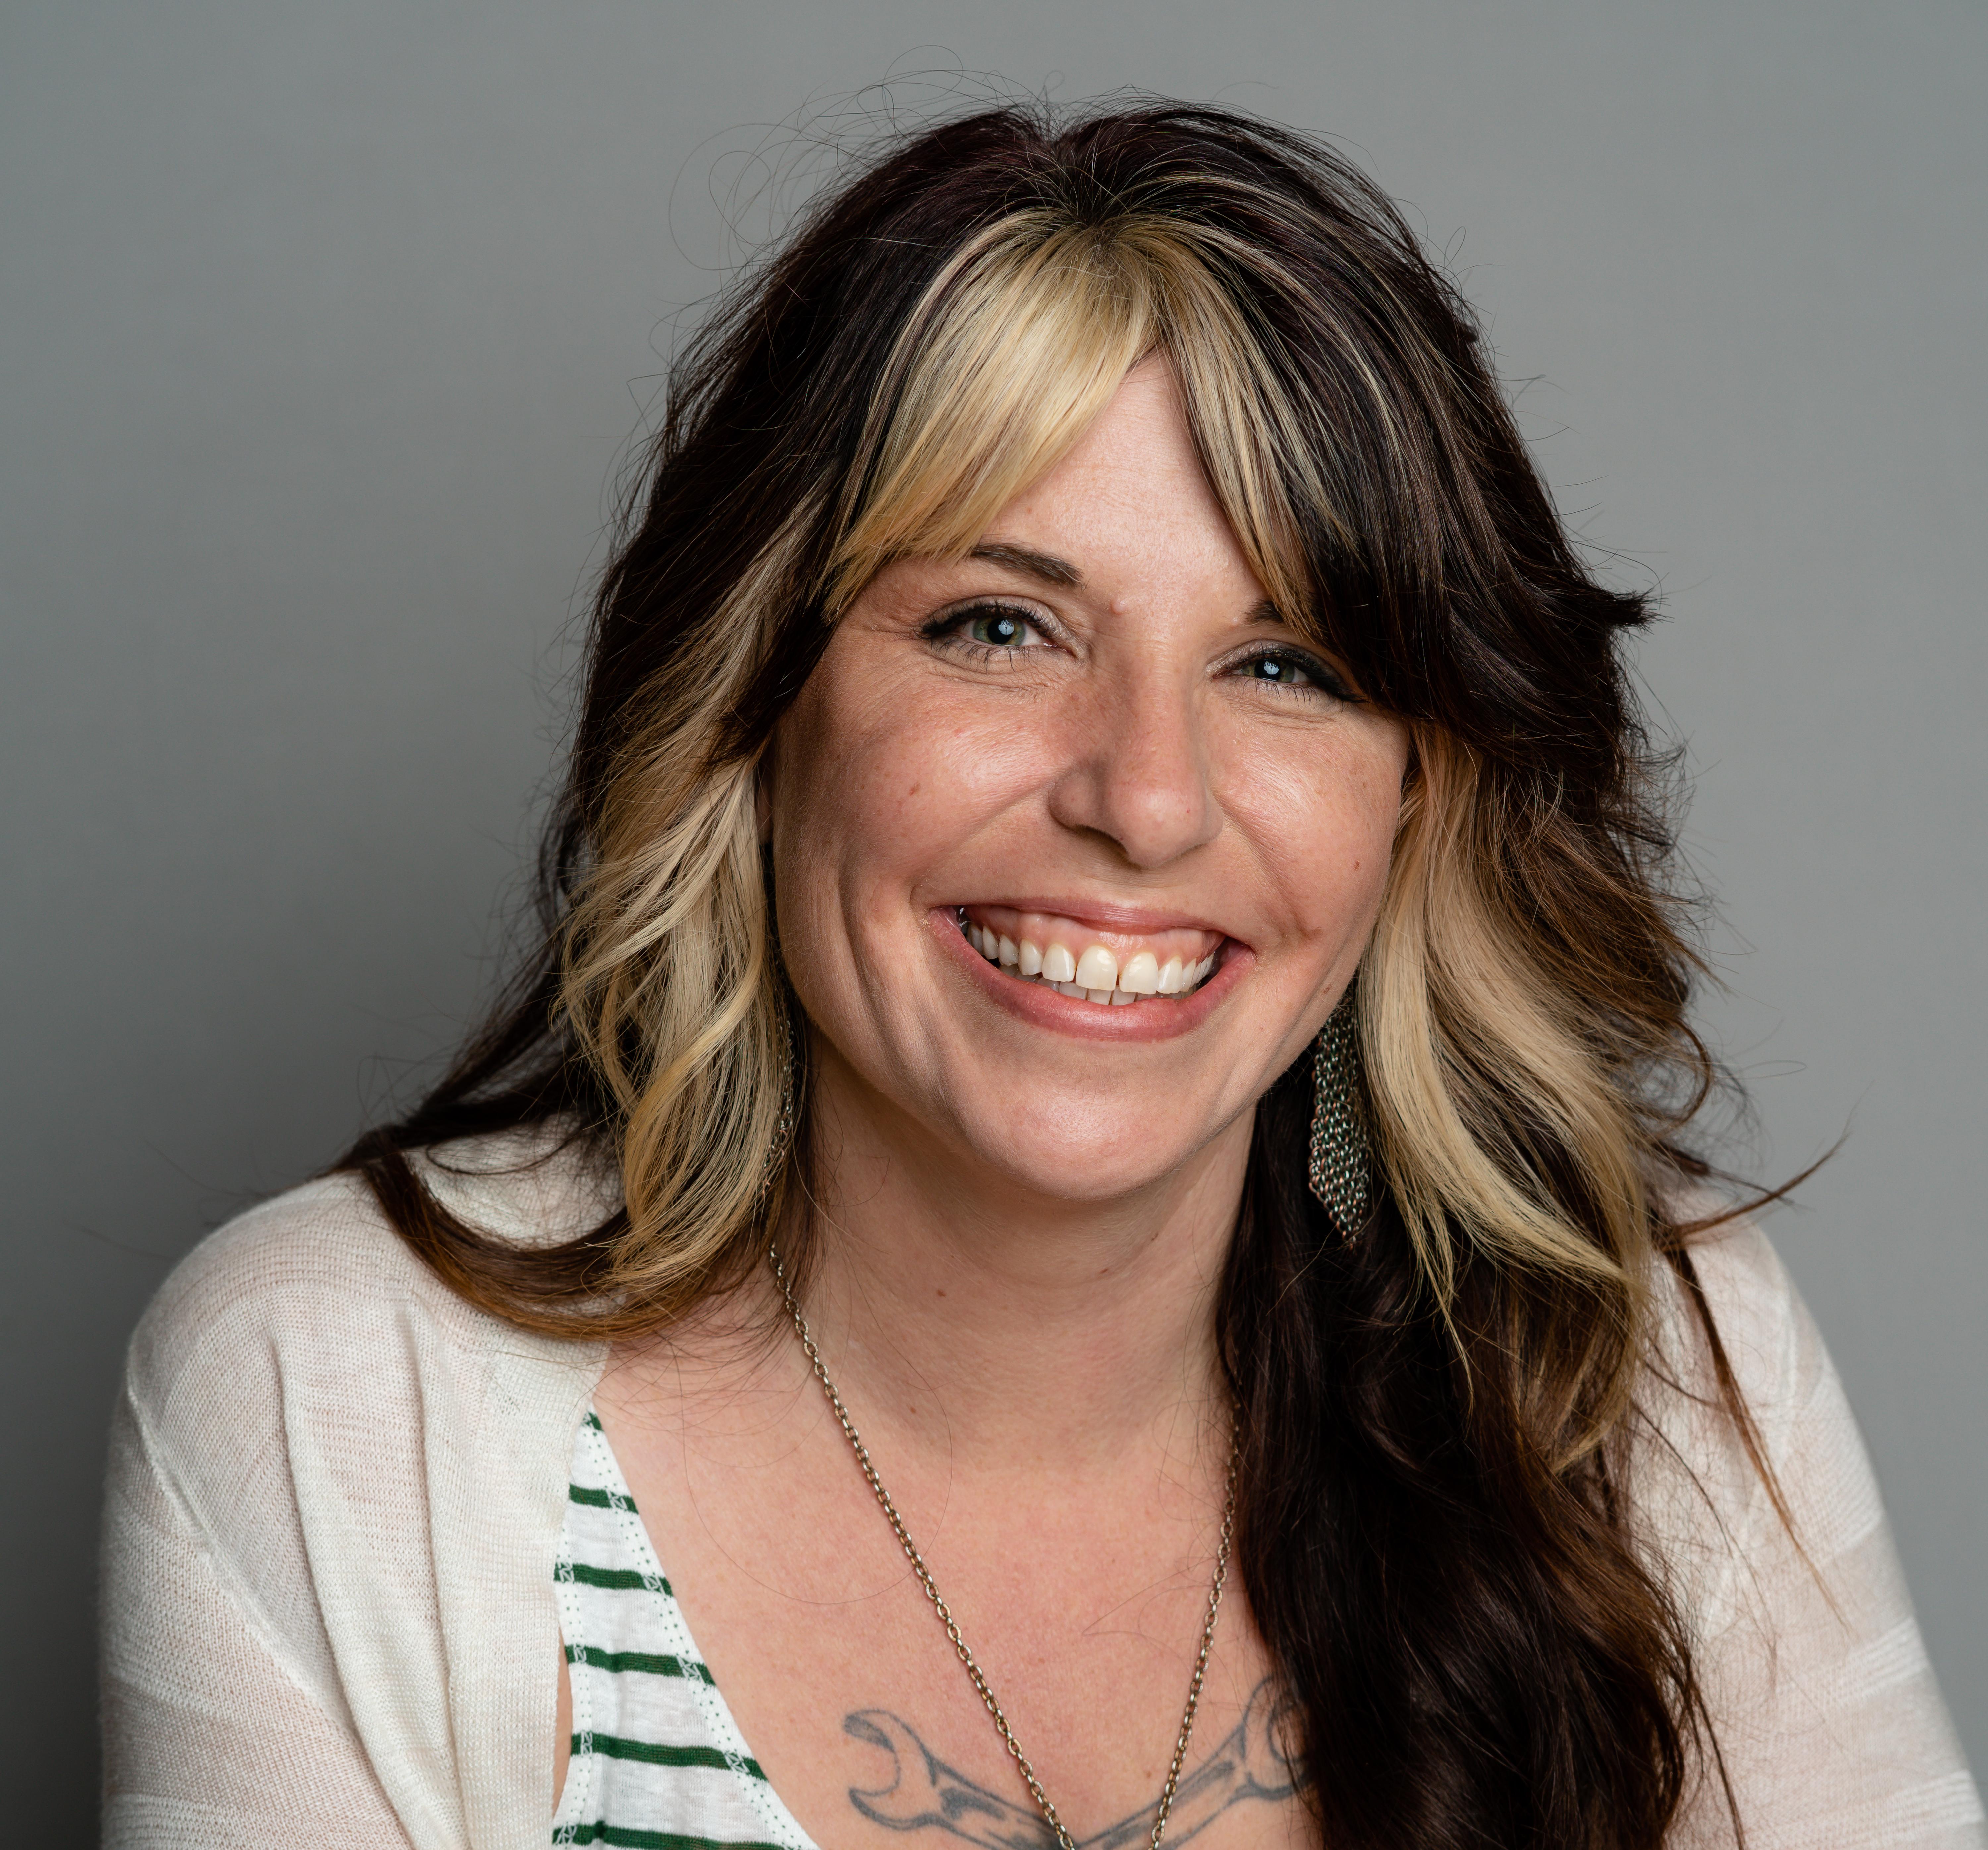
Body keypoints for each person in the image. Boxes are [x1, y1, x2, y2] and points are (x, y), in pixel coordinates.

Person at [100, 102, 1981, 1850]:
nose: (1147, 801)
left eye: (1287, 666)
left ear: (1417, 799)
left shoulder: (1644, 1370)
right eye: (1000, 626)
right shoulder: (340, 1398)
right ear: (754, 715)